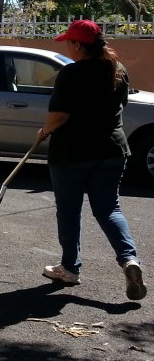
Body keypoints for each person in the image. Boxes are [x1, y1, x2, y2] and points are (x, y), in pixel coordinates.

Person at [37, 19, 146, 301]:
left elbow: (59, 115)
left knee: (69, 211)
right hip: (112, 150)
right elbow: (120, 106)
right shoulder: (118, 70)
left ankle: (70, 269)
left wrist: (45, 130)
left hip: (72, 152)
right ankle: (129, 259)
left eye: (68, 44)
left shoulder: (71, 73)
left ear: (77, 45)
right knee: (109, 209)